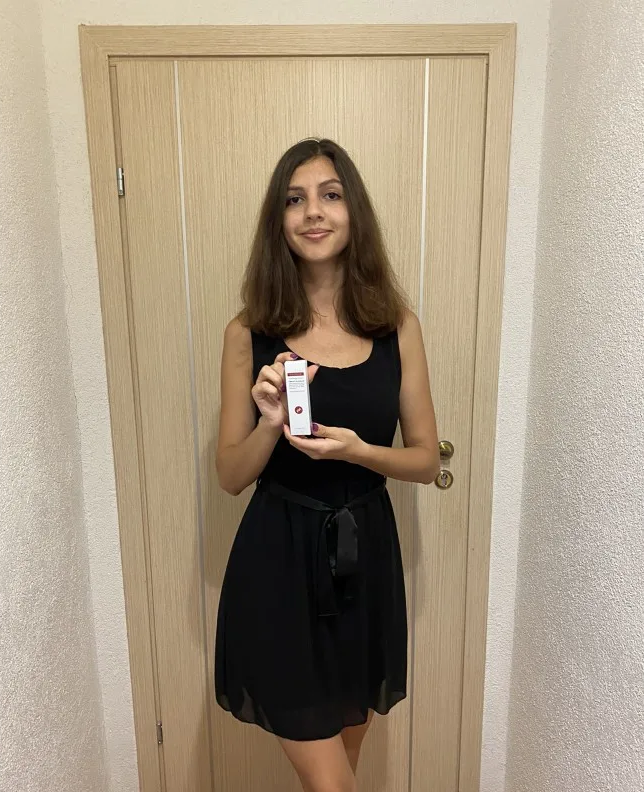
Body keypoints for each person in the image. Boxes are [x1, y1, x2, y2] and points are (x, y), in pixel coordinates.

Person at [215, 138, 440, 792]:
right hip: (279, 564)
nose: (313, 212)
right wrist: (270, 423)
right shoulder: (248, 332)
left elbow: (426, 459)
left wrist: (357, 450)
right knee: (333, 785)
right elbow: (230, 476)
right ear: (278, 220)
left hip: (364, 563)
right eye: (295, 199)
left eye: (330, 195)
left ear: (353, 211)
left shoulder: (396, 327)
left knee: (345, 764)